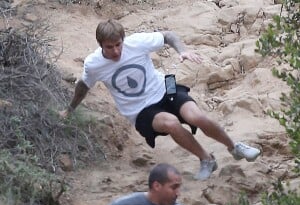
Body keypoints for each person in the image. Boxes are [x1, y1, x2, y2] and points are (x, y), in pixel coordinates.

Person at [59, 19, 261, 180]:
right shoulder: (94, 64)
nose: (116, 51)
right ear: (101, 45)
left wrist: (183, 51)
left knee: (196, 116)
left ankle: (234, 147)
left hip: (166, 86)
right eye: (109, 47)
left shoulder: (136, 43)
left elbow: (168, 36)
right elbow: (83, 86)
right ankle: (206, 159)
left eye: (118, 45)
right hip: (140, 110)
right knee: (171, 123)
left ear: (124, 39)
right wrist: (69, 109)